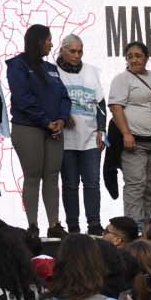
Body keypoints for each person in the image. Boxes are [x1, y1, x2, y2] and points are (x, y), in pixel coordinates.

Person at [5, 23, 70, 238]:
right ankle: (32, 225)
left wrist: (61, 118)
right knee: (32, 176)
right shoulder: (17, 65)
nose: (52, 44)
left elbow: (63, 96)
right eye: (49, 39)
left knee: (52, 176)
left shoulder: (51, 68)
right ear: (38, 41)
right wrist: (45, 121)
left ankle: (54, 224)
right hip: (28, 127)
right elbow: (23, 98)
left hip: (54, 128)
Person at [105, 40, 151, 227]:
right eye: (130, 56)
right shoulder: (122, 79)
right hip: (134, 142)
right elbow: (116, 108)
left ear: (147, 58)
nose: (133, 60)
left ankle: (146, 226)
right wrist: (126, 134)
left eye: (138, 56)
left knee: (150, 187)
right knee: (135, 185)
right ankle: (133, 227)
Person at [53, 34, 106, 237]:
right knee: (70, 184)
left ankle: (94, 224)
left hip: (90, 136)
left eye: (80, 51)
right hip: (65, 138)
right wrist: (62, 115)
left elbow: (100, 104)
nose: (77, 55)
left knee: (92, 182)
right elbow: (49, 100)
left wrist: (102, 129)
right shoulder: (53, 72)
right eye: (72, 51)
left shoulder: (91, 71)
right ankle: (73, 226)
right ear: (62, 50)